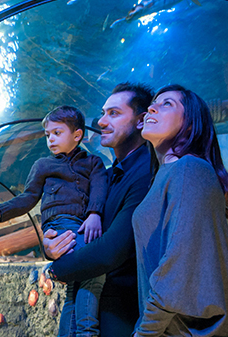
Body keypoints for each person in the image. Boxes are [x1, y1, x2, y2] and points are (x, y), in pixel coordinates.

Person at [131, 84, 228, 336]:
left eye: (167, 104)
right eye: (153, 103)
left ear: (190, 124)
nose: (152, 108)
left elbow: (178, 264)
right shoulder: (164, 176)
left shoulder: (189, 168)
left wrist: (145, 331)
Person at [42, 82, 154, 337]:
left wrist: (55, 269)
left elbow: (112, 250)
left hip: (122, 315)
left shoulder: (147, 172)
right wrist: (50, 245)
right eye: (103, 113)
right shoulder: (106, 175)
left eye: (114, 113)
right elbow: (71, 218)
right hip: (89, 307)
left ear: (141, 120)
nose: (101, 121)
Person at [0, 105, 108, 337]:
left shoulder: (93, 163)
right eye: (47, 134)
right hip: (61, 225)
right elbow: (28, 197)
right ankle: (87, 332)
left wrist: (94, 213)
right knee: (94, 270)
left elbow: (99, 188)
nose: (50, 139)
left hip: (83, 225)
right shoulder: (43, 165)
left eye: (57, 133)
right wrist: (0, 211)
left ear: (77, 135)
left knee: (76, 286)